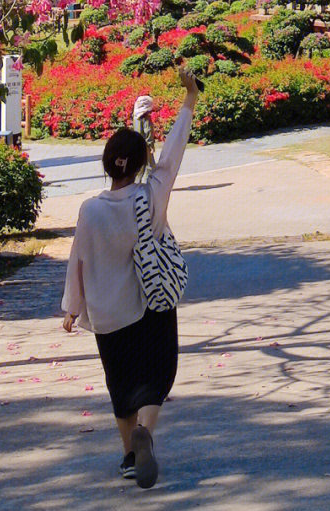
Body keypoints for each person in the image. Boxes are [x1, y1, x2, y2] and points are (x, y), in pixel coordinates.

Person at [61, 65, 199, 489]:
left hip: (109, 315)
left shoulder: (89, 210)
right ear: (140, 164)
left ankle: (128, 455)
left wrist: (72, 309)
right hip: (152, 304)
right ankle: (146, 434)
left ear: (107, 164)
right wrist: (189, 99)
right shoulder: (151, 195)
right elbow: (172, 153)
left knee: (121, 386)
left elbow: (78, 260)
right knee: (157, 375)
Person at [131, 93, 157, 179]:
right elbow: (148, 131)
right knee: (149, 166)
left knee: (141, 166)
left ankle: (138, 183)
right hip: (145, 144)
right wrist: (150, 145)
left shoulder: (135, 117)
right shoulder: (145, 118)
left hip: (137, 144)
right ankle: (148, 184)